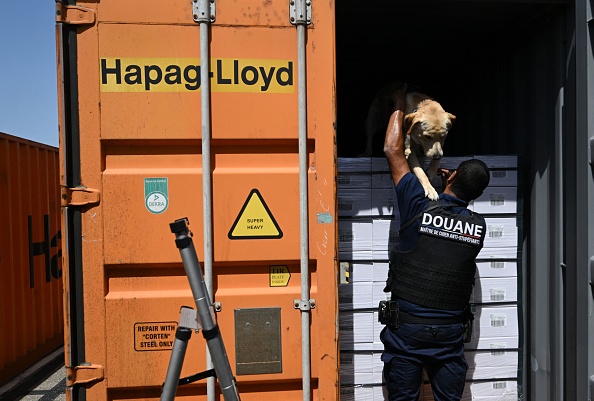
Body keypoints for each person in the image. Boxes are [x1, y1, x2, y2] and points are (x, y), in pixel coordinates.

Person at [379, 83, 491, 401]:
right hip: (449, 335)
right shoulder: (478, 228)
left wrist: (399, 104)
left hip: (408, 330)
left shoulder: (417, 202)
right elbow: (447, 235)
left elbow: (392, 150)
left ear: (450, 177)